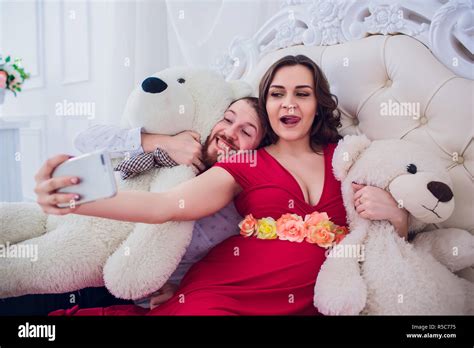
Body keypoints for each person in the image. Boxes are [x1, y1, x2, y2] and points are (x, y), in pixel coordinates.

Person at [36, 55, 409, 315]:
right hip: (219, 295)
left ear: (318, 104)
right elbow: (164, 205)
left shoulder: (347, 156)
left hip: (306, 302)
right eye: (277, 94)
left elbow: (387, 235)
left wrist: (397, 216)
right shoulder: (246, 162)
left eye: (302, 94)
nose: (288, 105)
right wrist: (75, 200)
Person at [0, 97, 263, 315]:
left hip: (97, 279)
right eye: (228, 119)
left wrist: (179, 290)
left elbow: (215, 271)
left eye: (246, 132)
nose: (229, 132)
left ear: (259, 153)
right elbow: (86, 139)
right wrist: (163, 142)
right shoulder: (181, 137)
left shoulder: (233, 213)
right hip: (61, 221)